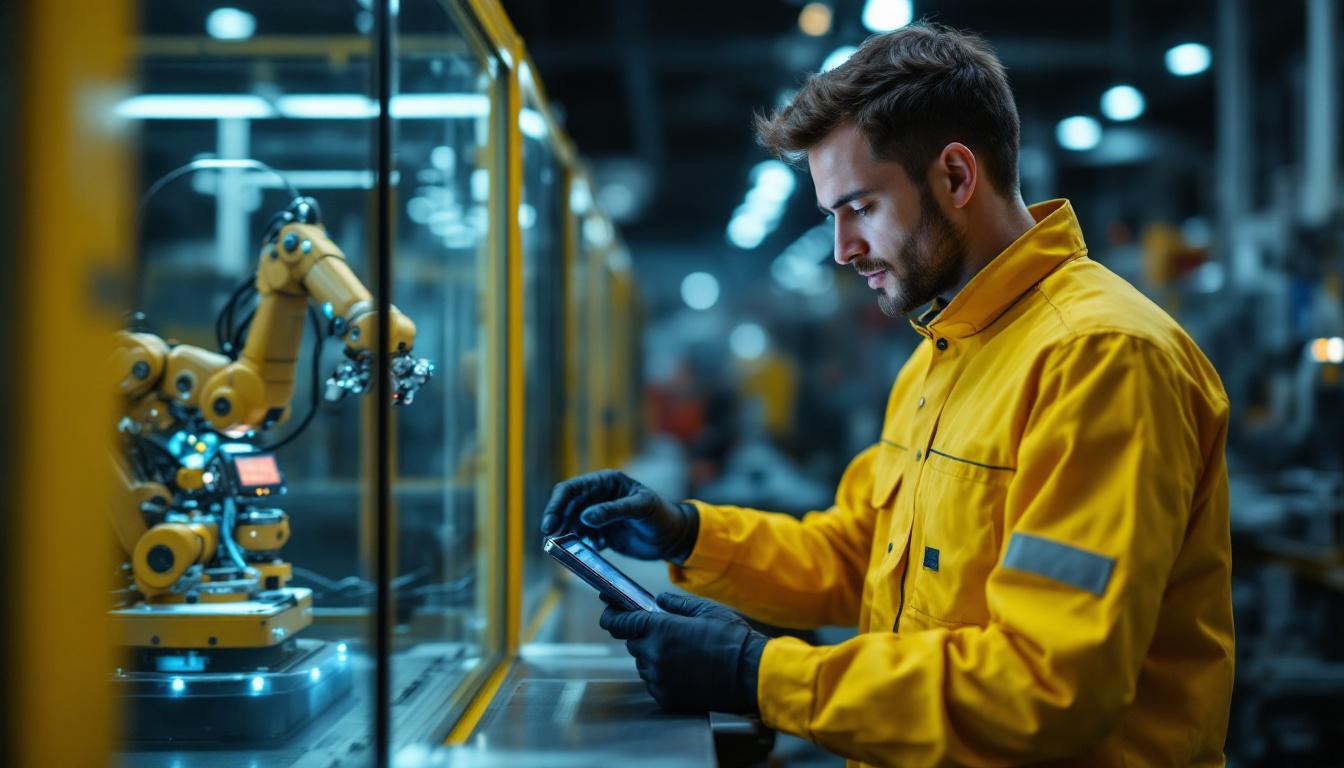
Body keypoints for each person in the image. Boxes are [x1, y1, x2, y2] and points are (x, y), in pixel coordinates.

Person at [541, 23, 1233, 768]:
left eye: (861, 207)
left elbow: (1049, 684)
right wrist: (686, 533)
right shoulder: (944, 351)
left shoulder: (1100, 360)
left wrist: (760, 674)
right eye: (832, 216)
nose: (842, 249)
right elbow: (861, 555)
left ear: (957, 177)